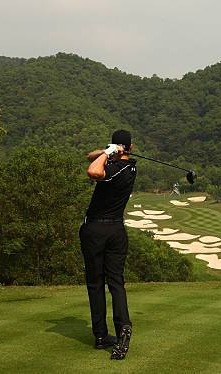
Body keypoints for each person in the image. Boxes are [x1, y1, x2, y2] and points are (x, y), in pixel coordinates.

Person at [80, 129, 137, 360]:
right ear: (130, 148)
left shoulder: (114, 169)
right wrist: (109, 150)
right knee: (116, 282)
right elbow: (89, 156)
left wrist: (108, 153)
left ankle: (105, 334)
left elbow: (92, 169)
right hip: (116, 230)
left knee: (96, 283)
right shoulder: (130, 166)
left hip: (96, 229)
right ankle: (113, 331)